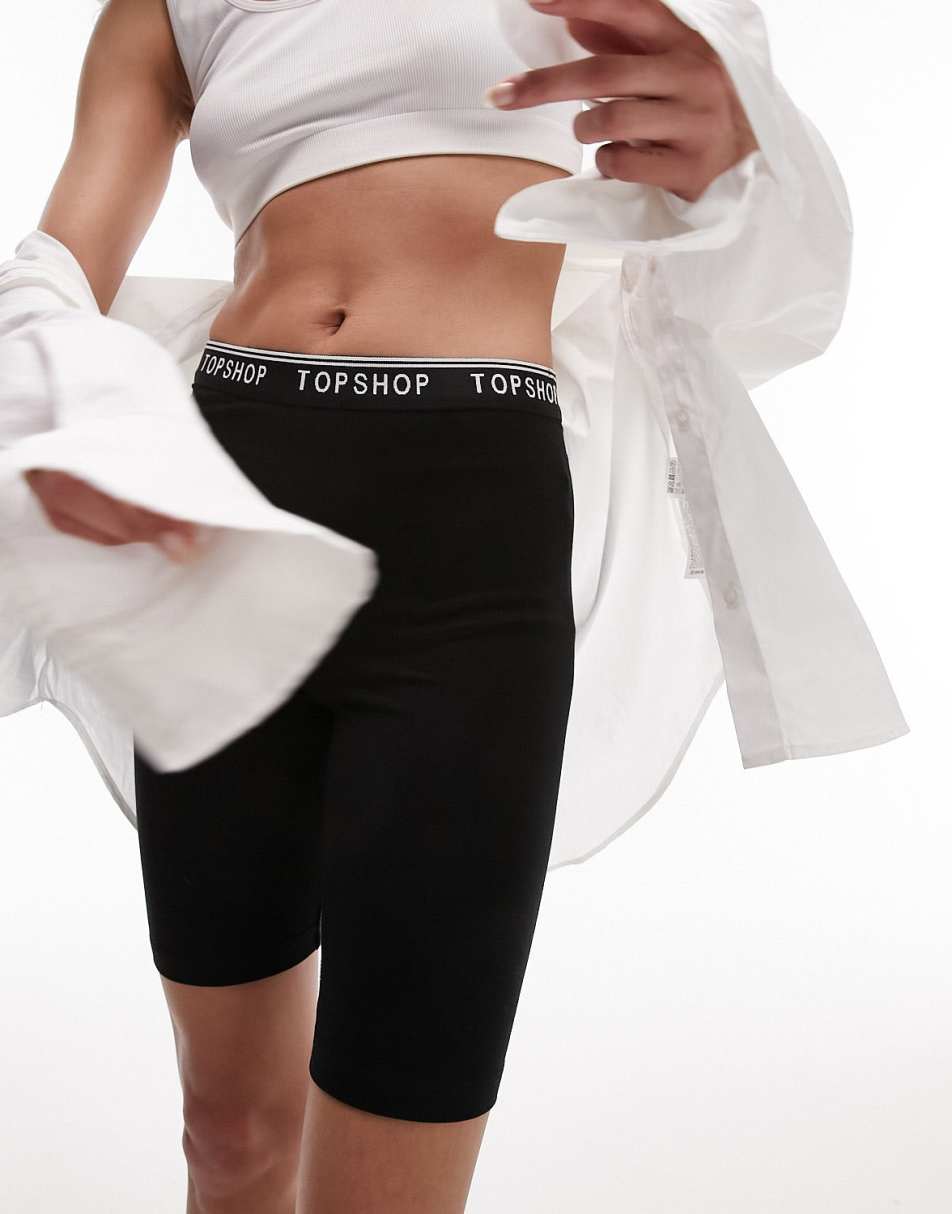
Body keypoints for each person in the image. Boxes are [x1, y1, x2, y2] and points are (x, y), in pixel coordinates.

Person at [0, 2, 909, 1212]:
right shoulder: (164, 11)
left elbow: (743, 272)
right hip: (225, 524)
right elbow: (60, 263)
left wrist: (740, 164)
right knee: (227, 1133)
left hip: (468, 524)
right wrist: (57, 406)